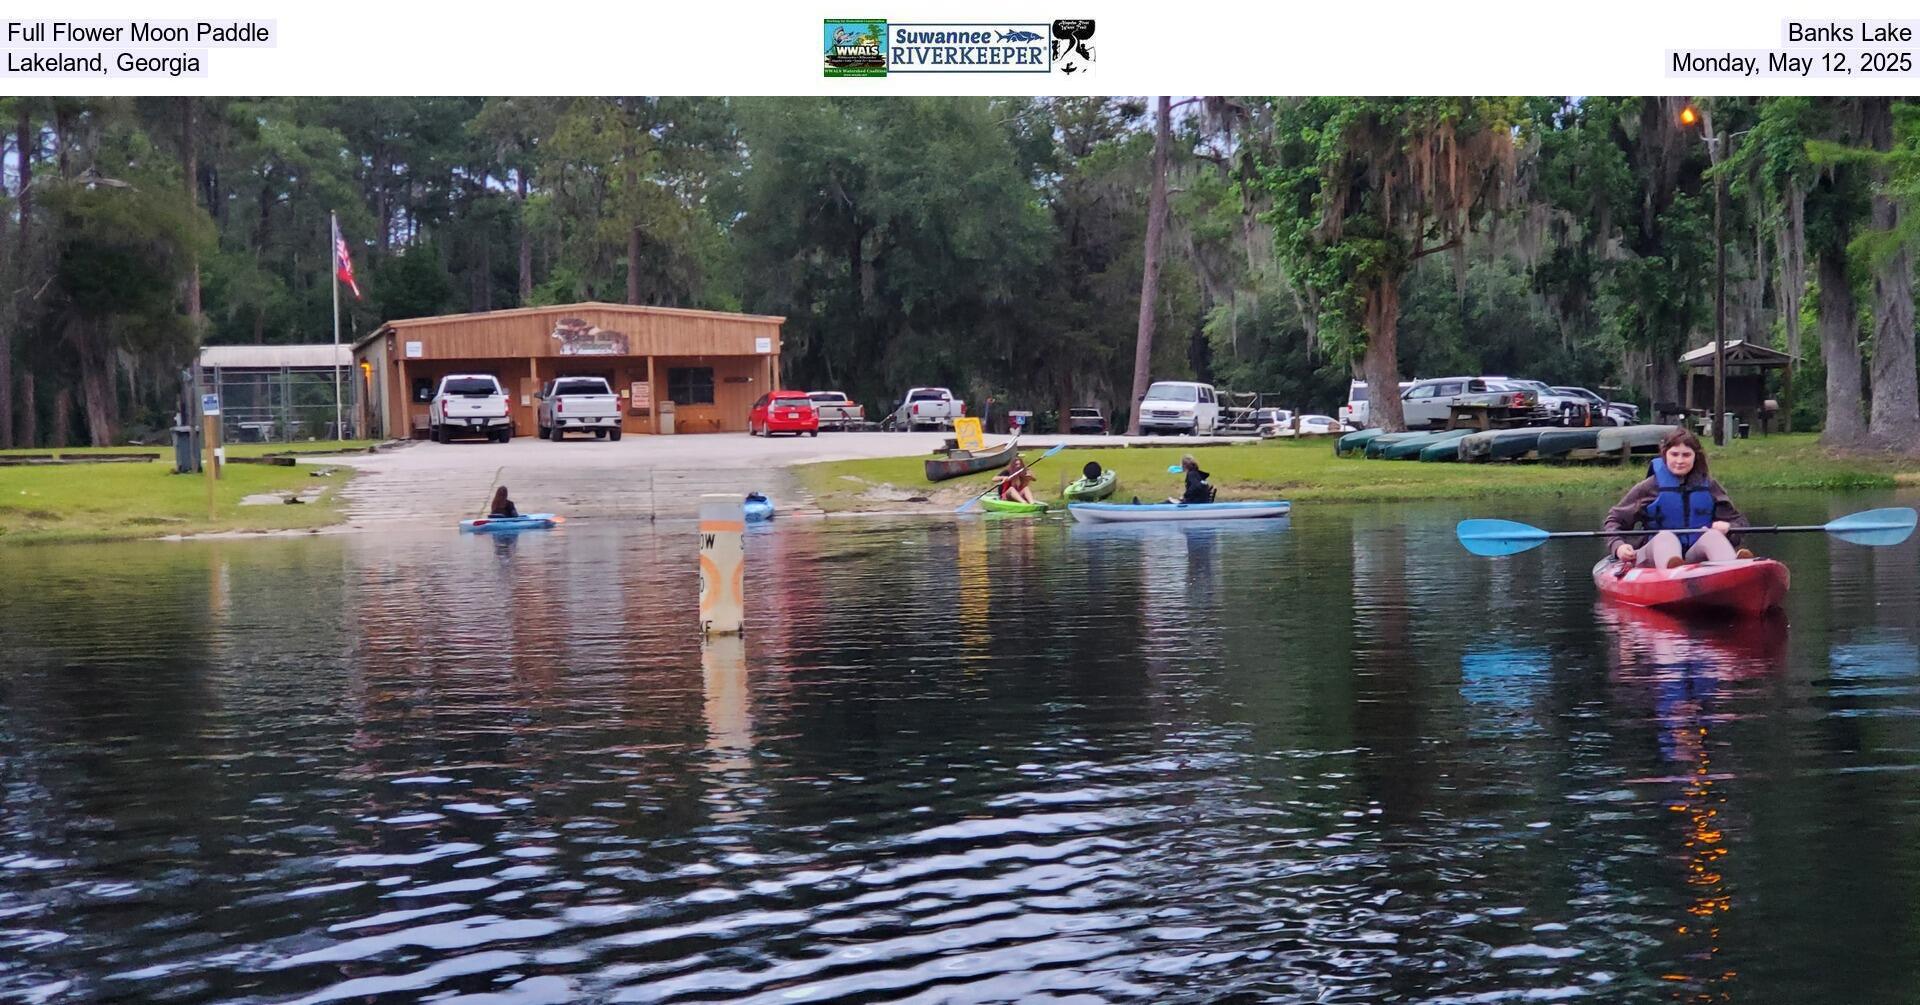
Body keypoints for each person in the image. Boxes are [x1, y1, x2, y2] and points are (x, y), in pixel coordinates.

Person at [1604, 429, 1751, 569]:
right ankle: (1673, 572)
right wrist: (1619, 546)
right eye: (1674, 454)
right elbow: (1614, 520)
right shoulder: (1649, 487)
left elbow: (1740, 521)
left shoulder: (1710, 486)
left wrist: (1730, 528)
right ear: (1665, 455)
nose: (1679, 460)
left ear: (1695, 456)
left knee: (1713, 536)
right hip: (1652, 556)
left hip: (1694, 555)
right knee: (1665, 537)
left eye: (1686, 455)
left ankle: (1732, 568)